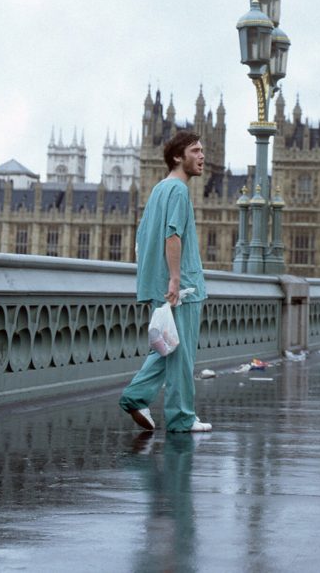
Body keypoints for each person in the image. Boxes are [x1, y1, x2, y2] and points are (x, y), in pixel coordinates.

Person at [119, 130, 212, 433]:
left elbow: (144, 236)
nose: (202, 157)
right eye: (196, 151)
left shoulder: (158, 190)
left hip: (160, 284)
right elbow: (173, 235)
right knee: (181, 354)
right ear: (177, 157)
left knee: (167, 347)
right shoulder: (180, 191)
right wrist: (174, 279)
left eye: (202, 151)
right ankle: (181, 418)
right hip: (181, 287)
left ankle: (136, 397)